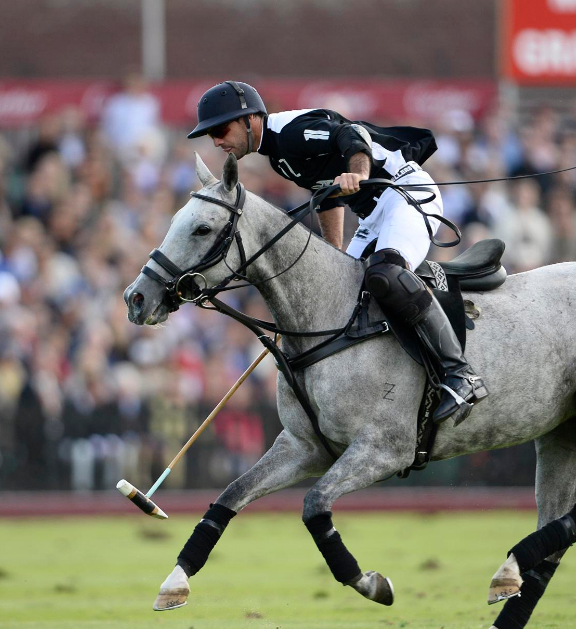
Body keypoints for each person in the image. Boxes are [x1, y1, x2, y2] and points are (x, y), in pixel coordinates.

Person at [187, 81, 486, 424]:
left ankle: (460, 374)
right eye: (211, 135)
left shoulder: (288, 133)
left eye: (221, 129)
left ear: (251, 119)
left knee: (385, 274)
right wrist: (332, 253)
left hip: (406, 191)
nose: (217, 141)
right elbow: (328, 197)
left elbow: (350, 134)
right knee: (338, 294)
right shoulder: (279, 160)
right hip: (374, 215)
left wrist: (358, 173)